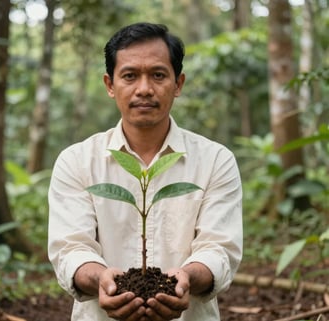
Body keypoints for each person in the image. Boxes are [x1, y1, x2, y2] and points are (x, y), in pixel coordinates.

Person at [48, 22, 243, 321]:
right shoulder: (77, 161)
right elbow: (71, 248)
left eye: (158, 75)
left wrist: (187, 277)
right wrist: (101, 278)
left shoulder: (215, 160)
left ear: (178, 84)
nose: (144, 89)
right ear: (110, 85)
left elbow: (219, 249)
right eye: (129, 76)